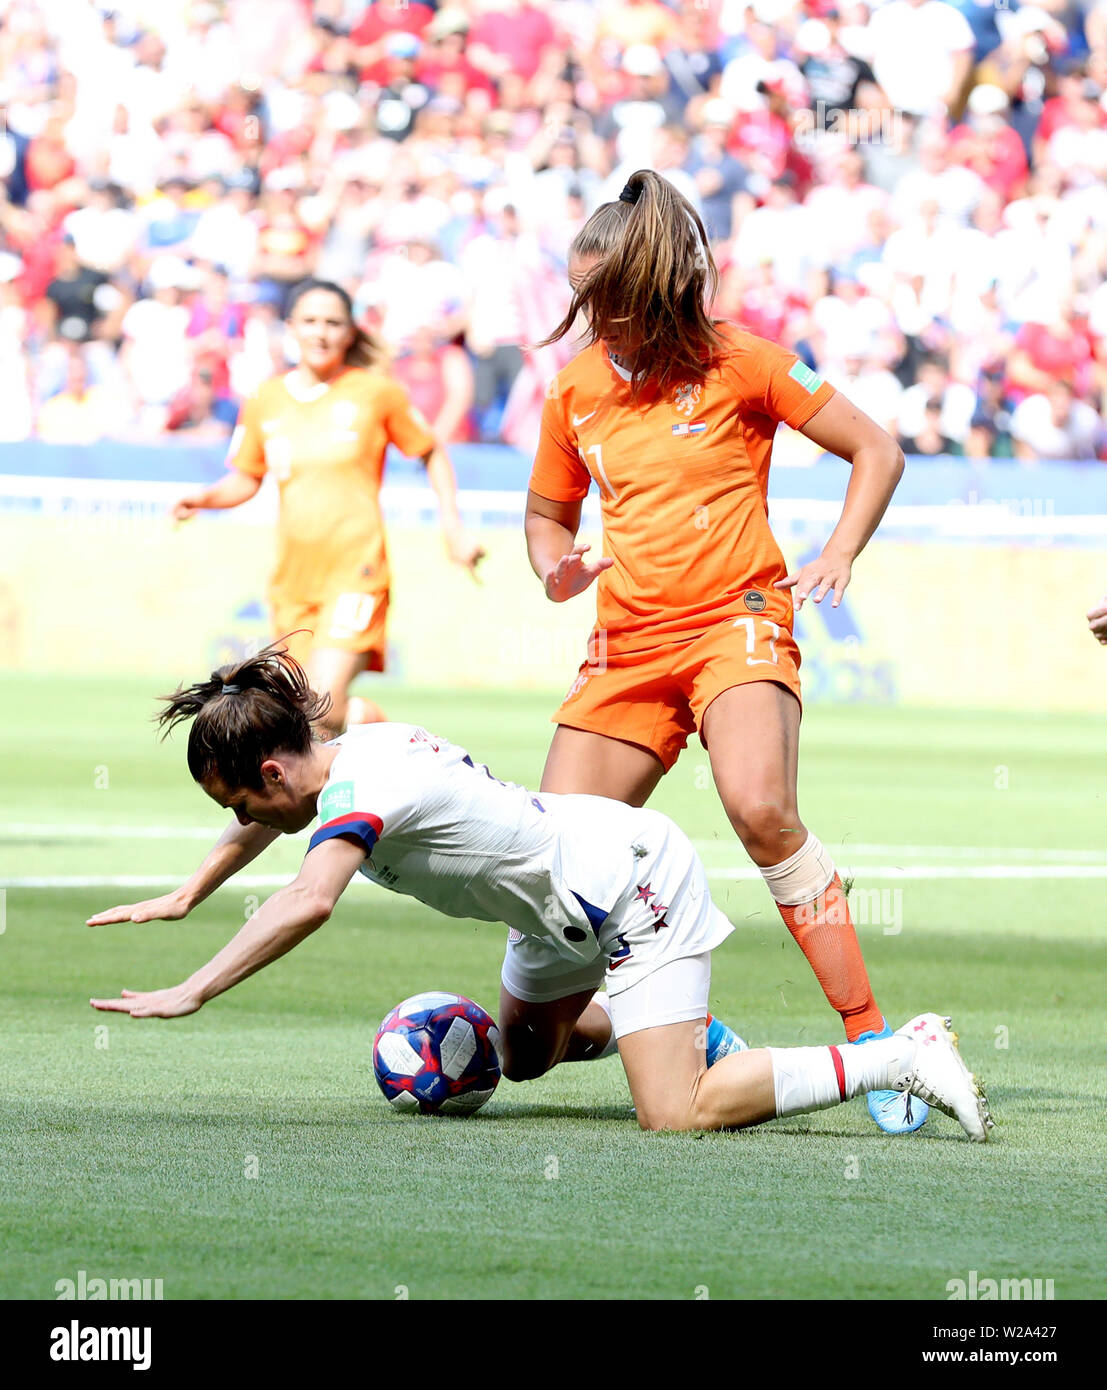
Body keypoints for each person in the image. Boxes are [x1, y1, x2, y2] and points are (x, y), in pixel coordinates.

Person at [86, 645, 992, 1143]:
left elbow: (309, 899)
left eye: (241, 796)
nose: (243, 817)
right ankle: (691, 1034)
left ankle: (895, 1054)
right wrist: (187, 893)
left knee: (674, 1117)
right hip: (550, 912)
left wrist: (193, 987)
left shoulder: (363, 791)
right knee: (521, 1060)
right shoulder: (341, 764)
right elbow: (268, 825)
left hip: (626, 884)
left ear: (275, 766)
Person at [523, 169, 924, 1135]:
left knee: (759, 810)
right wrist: (554, 570)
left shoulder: (743, 360)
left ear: (652, 288)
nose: (588, 319)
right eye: (580, 298)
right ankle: (670, 1032)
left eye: (603, 299)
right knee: (551, 876)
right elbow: (545, 514)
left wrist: (837, 550)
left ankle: (874, 1043)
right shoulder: (574, 389)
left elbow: (876, 449)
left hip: (735, 620)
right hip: (623, 646)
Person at [171, 279, 484, 734]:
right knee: (298, 718)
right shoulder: (265, 399)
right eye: (310, 321)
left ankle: (380, 730)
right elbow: (247, 478)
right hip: (293, 581)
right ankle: (366, 752)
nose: (321, 332)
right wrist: (203, 498)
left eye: (333, 322)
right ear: (290, 327)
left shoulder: (375, 393)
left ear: (351, 332)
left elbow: (431, 450)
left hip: (356, 571)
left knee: (318, 705)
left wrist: (453, 528)